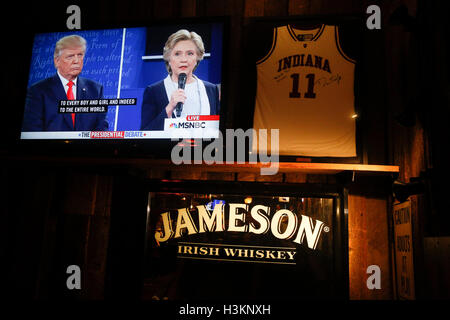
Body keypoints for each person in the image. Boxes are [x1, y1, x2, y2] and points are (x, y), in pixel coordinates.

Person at [22, 35, 108, 131]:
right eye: (70, 56)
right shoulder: (37, 91)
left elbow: (101, 128)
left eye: (80, 55)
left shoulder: (95, 89)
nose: (76, 61)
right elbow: (32, 130)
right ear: (57, 61)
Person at [140, 29, 220, 130]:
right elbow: (145, 133)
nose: (184, 60)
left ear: (198, 58)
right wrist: (169, 108)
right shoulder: (153, 91)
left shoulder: (211, 89)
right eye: (177, 54)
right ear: (169, 59)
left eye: (190, 53)